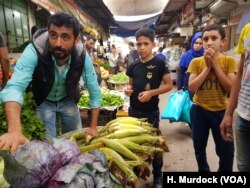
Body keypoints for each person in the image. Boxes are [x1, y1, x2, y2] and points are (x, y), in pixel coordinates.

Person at [0, 12, 101, 152]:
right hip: (44, 99)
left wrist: (93, 127)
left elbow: (94, 89)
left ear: (76, 39)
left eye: (65, 37)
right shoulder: (35, 50)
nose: (58, 43)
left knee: (77, 141)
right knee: (48, 145)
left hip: (68, 99)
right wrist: (15, 130)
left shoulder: (82, 55)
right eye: (53, 35)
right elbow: (15, 87)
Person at [124, 27, 173, 187]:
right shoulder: (133, 65)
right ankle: (138, 170)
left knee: (155, 144)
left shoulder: (159, 63)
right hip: (134, 111)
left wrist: (152, 93)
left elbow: (169, 85)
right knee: (136, 144)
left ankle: (158, 175)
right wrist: (127, 90)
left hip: (151, 112)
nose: (142, 48)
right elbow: (129, 85)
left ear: (153, 44)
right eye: (139, 44)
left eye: (146, 44)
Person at [188, 24, 237, 172]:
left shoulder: (229, 61)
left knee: (227, 152)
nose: (209, 42)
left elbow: (231, 88)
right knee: (199, 148)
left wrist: (215, 64)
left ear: (223, 41)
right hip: (199, 110)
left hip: (222, 112)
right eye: (205, 39)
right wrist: (207, 68)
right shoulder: (196, 62)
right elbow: (192, 87)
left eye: (214, 38)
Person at [220, 23, 250, 171]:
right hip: (244, 116)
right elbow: (240, 76)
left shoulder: (227, 61)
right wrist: (229, 113)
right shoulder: (247, 30)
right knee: (243, 166)